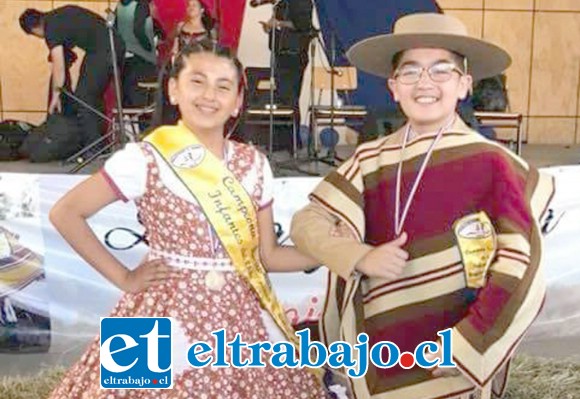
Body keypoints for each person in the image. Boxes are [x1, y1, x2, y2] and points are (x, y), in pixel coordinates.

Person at [47, 38, 330, 398]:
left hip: (241, 312)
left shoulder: (254, 163)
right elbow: (66, 213)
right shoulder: (143, 157)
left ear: (238, 102)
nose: (209, 95)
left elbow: (268, 256)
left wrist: (337, 251)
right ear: (173, 89)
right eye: (197, 81)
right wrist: (125, 277)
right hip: (158, 309)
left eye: (223, 86)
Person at [291, 13, 554, 399]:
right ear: (393, 87)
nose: (425, 83)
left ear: (464, 85)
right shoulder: (369, 160)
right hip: (379, 354)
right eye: (411, 72)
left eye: (441, 71)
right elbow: (306, 222)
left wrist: (468, 345)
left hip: (453, 359)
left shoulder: (491, 163)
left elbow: (521, 261)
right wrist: (359, 255)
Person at [19, 6, 125, 149]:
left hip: (106, 49)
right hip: (107, 46)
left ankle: (95, 146)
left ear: (33, 30)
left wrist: (55, 97)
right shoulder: (58, 17)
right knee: (91, 96)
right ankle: (100, 141)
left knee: (84, 97)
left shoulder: (51, 29)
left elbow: (59, 67)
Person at [259, 0, 313, 151]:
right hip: (281, 53)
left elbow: (303, 25)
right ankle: (281, 141)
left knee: (289, 98)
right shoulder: (282, 3)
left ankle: (293, 142)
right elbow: (282, 24)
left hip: (293, 55)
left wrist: (279, 23)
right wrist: (271, 27)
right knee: (281, 97)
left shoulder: (301, 2)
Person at [152, 0, 216, 127]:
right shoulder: (181, 26)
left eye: (194, 6)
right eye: (189, 5)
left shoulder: (209, 31)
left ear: (202, 10)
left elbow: (213, 53)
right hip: (181, 68)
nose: (190, 8)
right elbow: (174, 47)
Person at [114, 0, 160, 108]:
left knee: (128, 95)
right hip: (141, 58)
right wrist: (149, 48)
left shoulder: (121, 5)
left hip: (125, 58)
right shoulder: (142, 4)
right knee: (143, 98)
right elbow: (138, 29)